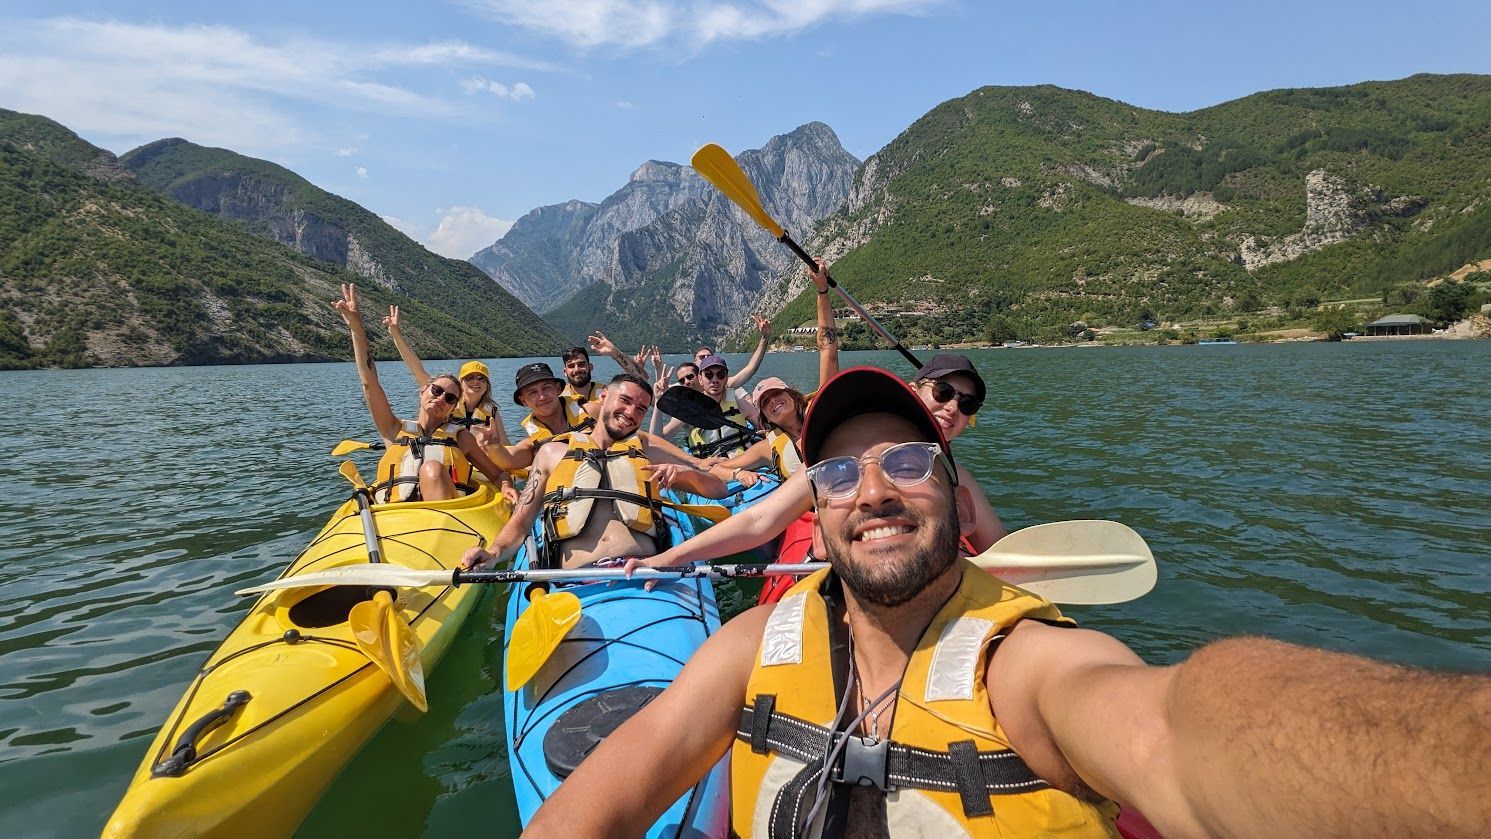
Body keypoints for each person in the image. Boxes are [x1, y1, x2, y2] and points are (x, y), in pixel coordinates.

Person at [530, 366, 1491, 837]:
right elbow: (601, 802)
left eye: (907, 463)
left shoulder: (1024, 666)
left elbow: (1180, 730)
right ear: (816, 507)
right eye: (839, 472)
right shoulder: (751, 643)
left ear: (952, 487)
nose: (872, 491)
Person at [630, 353, 1008, 574]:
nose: (952, 407)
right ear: (916, 389)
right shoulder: (840, 459)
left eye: (967, 404)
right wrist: (669, 557)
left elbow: (999, 551)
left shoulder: (958, 475)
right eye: (942, 392)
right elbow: (760, 520)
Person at [459, 374, 729, 570]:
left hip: (646, 576)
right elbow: (520, 523)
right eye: (624, 400)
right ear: (603, 398)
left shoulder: (645, 450)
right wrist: (493, 552)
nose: (630, 412)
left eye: (641, 409)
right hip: (575, 581)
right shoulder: (551, 453)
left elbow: (718, 489)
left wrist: (688, 474)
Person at [330, 284, 512, 504]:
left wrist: (507, 486)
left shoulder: (462, 436)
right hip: (397, 517)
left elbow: (499, 474)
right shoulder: (393, 429)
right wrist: (357, 329)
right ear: (423, 390)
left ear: (453, 408)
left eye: (450, 398)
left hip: (445, 522)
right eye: (437, 390)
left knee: (432, 469)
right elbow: (369, 383)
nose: (441, 398)